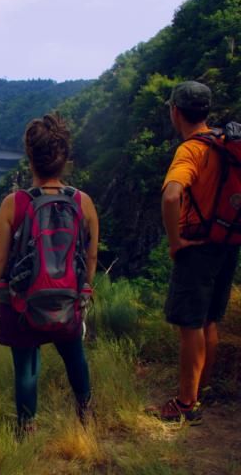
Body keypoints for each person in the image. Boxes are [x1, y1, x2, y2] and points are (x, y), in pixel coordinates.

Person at [0, 113, 99, 435]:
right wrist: (84, 291)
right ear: (64, 157)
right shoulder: (84, 202)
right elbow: (91, 254)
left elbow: (0, 259)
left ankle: (27, 431)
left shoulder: (15, 203)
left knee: (25, 367)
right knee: (74, 356)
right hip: (68, 298)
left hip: (22, 301)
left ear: (30, 156)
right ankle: (86, 415)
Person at [151, 81, 240, 424]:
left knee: (190, 325)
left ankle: (186, 405)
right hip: (227, 243)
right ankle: (199, 392)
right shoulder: (223, 142)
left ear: (176, 112)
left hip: (198, 249)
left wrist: (175, 242)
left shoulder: (191, 150)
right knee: (209, 321)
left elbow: (172, 195)